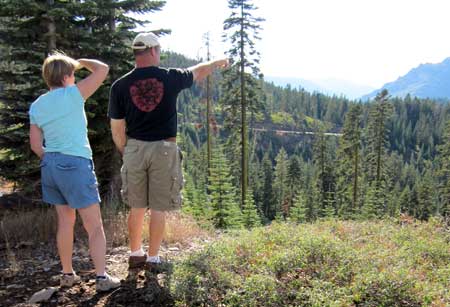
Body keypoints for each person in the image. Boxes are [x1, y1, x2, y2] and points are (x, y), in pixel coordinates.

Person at [108, 32, 228, 271]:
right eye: (159, 50)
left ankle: (135, 254)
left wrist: (128, 151)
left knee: (137, 206)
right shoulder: (170, 78)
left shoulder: (119, 86)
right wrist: (215, 63)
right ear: (153, 51)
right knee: (159, 206)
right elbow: (197, 71)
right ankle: (153, 258)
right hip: (164, 148)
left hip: (134, 149)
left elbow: (117, 129)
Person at [29, 52, 121, 292]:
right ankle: (101, 278)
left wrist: (52, 159)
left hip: (50, 165)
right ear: (67, 76)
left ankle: (67, 274)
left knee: (65, 221)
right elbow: (102, 69)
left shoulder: (37, 105)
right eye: (72, 73)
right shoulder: (74, 94)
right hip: (76, 163)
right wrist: (80, 62)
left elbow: (36, 146)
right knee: (94, 226)